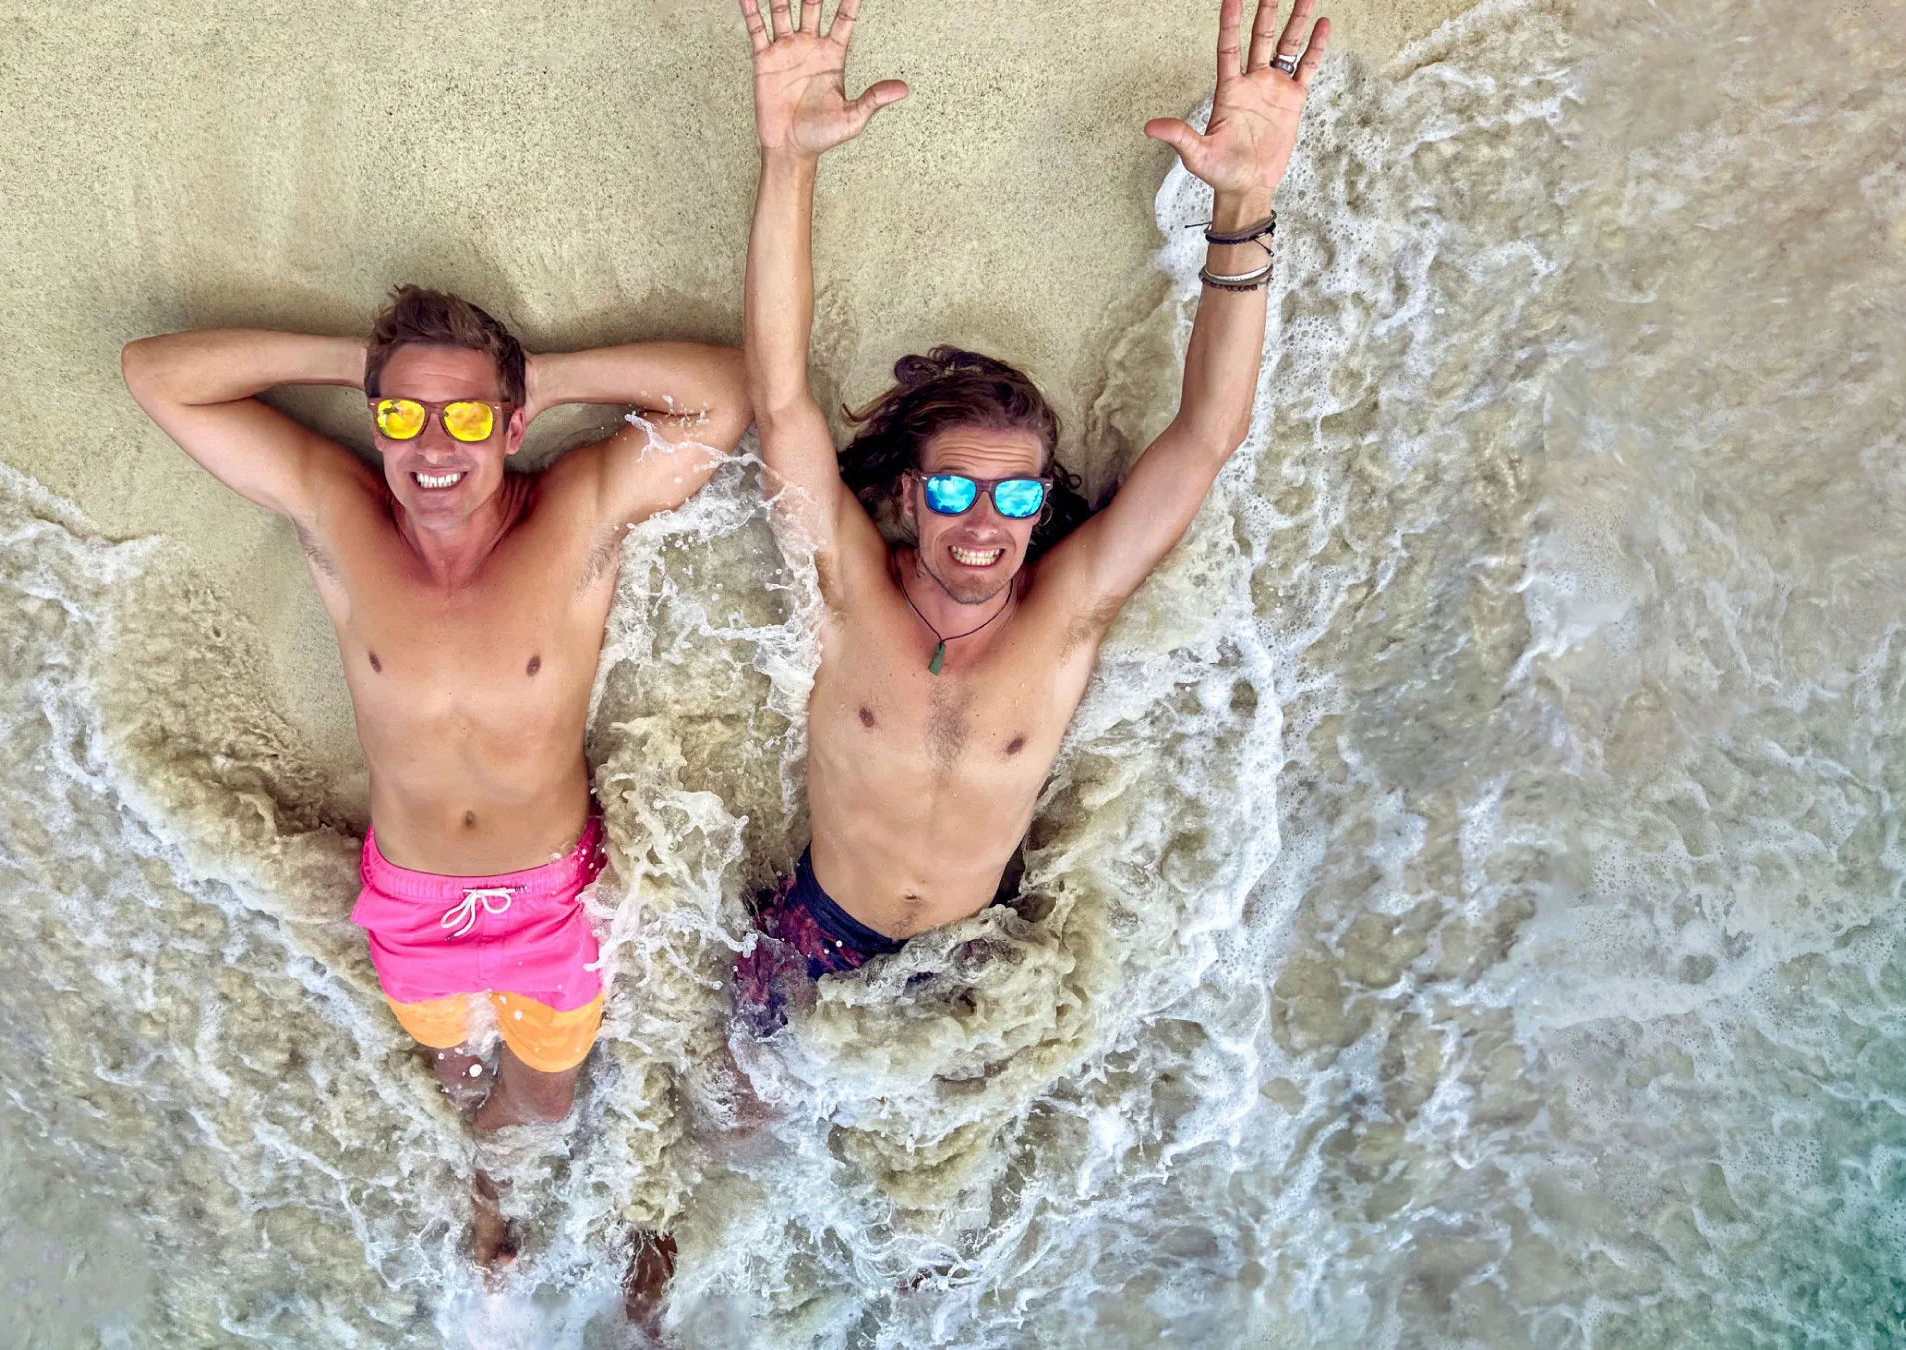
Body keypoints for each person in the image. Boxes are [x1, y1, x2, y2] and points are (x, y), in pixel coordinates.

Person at [121, 289, 749, 1270]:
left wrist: (536, 381)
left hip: (550, 901)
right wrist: (361, 364)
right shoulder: (341, 514)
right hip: (412, 905)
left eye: (464, 417)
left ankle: (514, 1196)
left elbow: (724, 396)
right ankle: (486, 1192)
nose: (432, 447)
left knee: (544, 1098)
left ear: (507, 426)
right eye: (403, 418)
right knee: (458, 1073)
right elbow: (156, 376)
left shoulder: (574, 515)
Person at [731, 0, 1327, 1029]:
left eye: (1012, 497)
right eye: (955, 490)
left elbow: (1204, 437)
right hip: (821, 931)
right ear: (910, 496)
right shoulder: (848, 591)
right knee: (741, 1132)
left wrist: (1246, 203)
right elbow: (780, 397)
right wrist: (791, 159)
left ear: (1040, 504)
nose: (981, 524)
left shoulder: (1067, 615)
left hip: (974, 957)